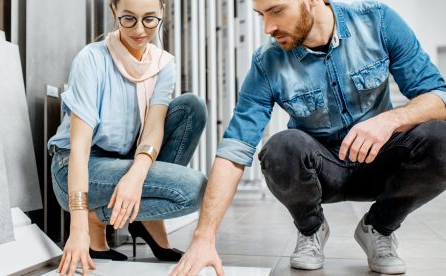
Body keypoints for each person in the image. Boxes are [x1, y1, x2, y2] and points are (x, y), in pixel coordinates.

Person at [170, 0, 446, 275]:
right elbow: (234, 149)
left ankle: (379, 227)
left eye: (276, 11)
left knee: (442, 138)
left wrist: (392, 119)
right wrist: (203, 239)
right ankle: (311, 228)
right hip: (322, 172)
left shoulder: (378, 21)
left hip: (380, 163)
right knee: (281, 147)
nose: (268, 27)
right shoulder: (267, 61)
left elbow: (439, 96)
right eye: (260, 15)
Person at [47, 0, 208, 275]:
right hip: (79, 166)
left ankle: (139, 220)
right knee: (192, 189)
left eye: (149, 20)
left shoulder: (162, 64)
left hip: (124, 160)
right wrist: (78, 228)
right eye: (128, 19)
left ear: (161, 14)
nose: (139, 30)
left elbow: (154, 127)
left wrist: (137, 175)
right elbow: (79, 147)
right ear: (114, 12)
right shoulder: (92, 59)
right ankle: (94, 220)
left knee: (191, 108)